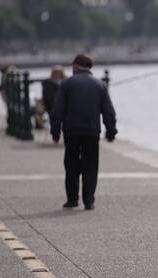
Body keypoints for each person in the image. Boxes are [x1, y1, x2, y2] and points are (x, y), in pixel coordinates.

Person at [50, 54, 117, 210]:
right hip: (91, 131)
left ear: (75, 66)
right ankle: (89, 200)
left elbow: (57, 110)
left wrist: (55, 131)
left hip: (71, 131)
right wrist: (111, 131)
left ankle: (72, 199)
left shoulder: (66, 84)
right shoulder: (100, 85)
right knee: (91, 166)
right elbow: (108, 111)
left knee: (71, 164)